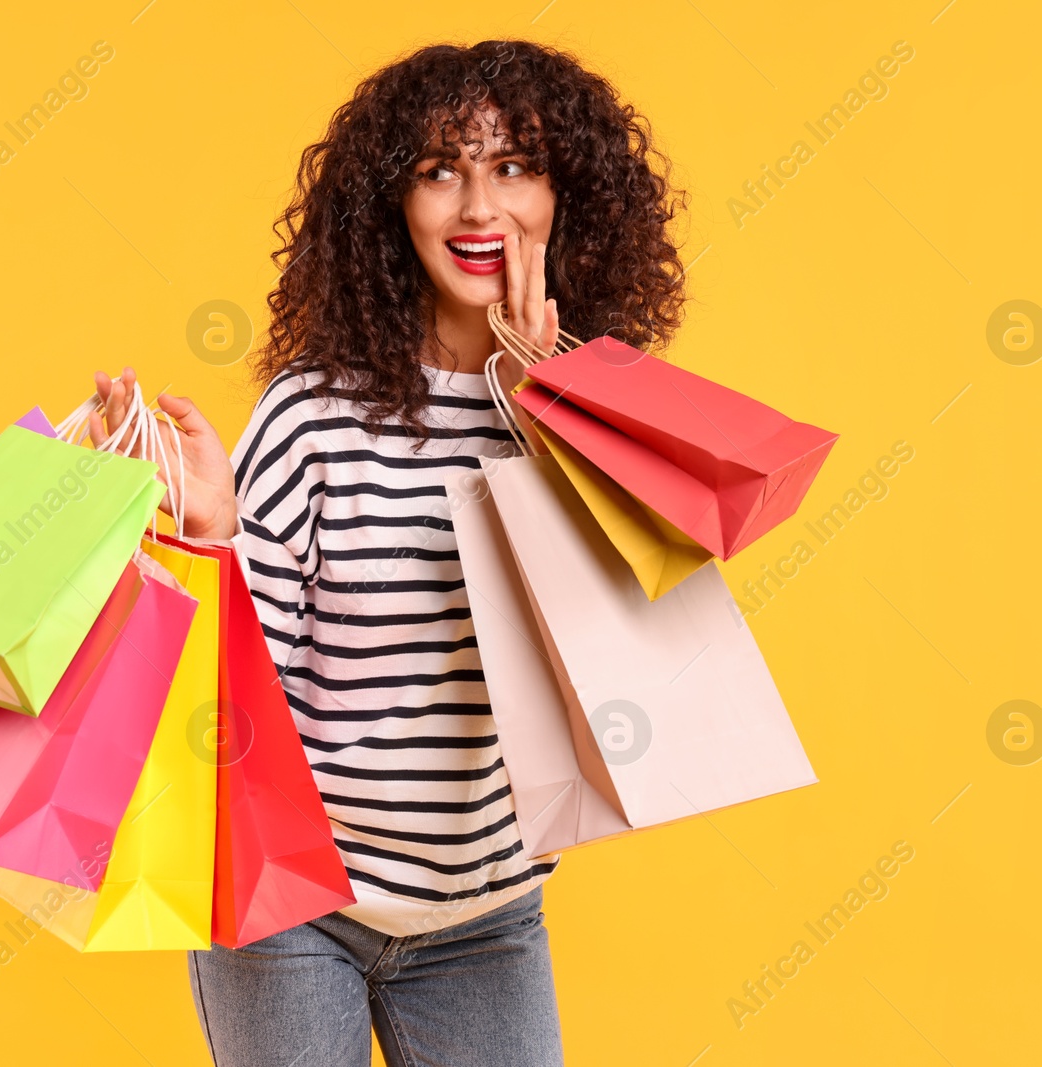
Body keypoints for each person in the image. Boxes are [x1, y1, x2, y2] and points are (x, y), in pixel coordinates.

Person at [85, 38, 687, 1067]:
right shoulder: (316, 410)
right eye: (438, 170)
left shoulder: (600, 416)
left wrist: (549, 401)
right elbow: (238, 687)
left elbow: (632, 638)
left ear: (567, 196)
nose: (476, 209)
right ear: (391, 208)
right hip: (292, 900)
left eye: (512, 165)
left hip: (486, 909)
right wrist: (213, 534)